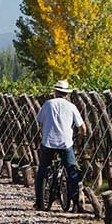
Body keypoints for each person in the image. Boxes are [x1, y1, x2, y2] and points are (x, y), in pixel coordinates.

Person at [35, 80, 87, 211]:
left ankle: (39, 201)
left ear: (55, 92)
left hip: (48, 142)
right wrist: (80, 139)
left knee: (42, 171)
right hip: (65, 143)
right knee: (72, 172)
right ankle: (75, 203)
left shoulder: (48, 104)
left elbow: (40, 122)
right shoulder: (71, 107)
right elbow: (82, 127)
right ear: (66, 94)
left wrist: (43, 134)